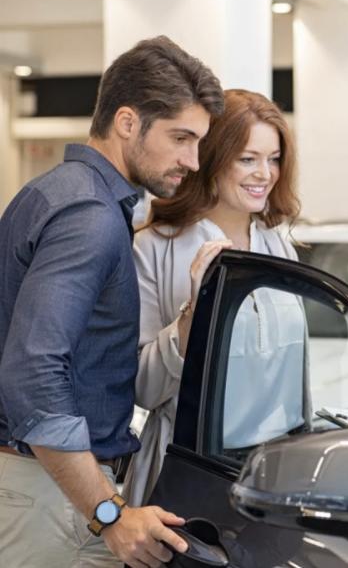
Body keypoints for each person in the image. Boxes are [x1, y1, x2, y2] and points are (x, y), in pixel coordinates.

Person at [0, 36, 223, 568]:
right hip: (55, 499)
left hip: (42, 490)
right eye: (180, 138)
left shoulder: (54, 192)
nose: (192, 161)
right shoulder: (90, 215)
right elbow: (33, 372)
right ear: (127, 122)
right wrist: (108, 513)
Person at [124, 89, 306, 508]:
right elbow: (143, 389)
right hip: (189, 473)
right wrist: (192, 315)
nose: (264, 173)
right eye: (248, 159)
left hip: (274, 477)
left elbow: (292, 381)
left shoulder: (278, 246)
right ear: (212, 159)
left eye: (273, 158)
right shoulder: (155, 248)